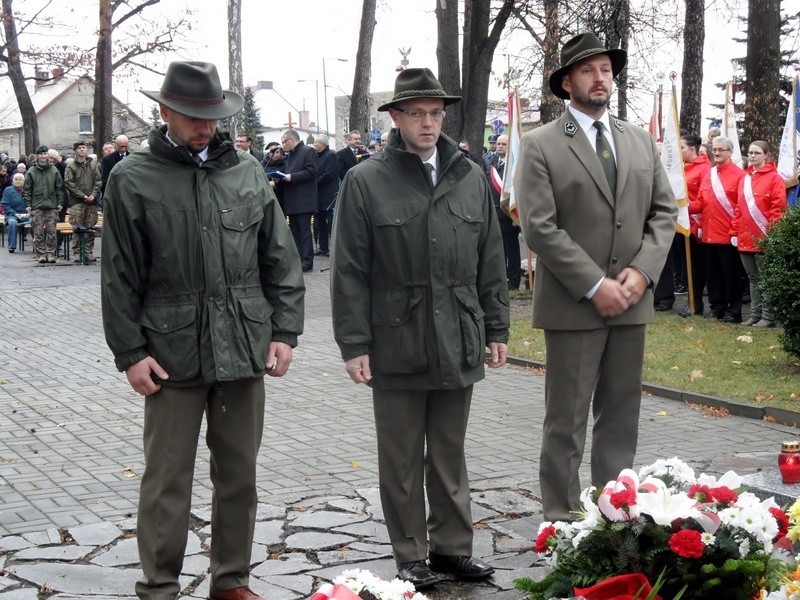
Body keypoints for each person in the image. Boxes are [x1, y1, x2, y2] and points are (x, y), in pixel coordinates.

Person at [100, 61, 305, 600]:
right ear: (164, 111)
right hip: (169, 351)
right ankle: (160, 586)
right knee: (168, 480)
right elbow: (119, 275)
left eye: (212, 116)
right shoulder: (132, 178)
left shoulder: (247, 172)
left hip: (242, 345)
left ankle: (230, 580)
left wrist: (285, 332)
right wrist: (130, 352)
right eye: (193, 115)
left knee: (238, 473)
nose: (205, 126)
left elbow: (279, 259)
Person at [331, 67, 509, 590]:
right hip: (395, 338)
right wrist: (354, 343)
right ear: (396, 118)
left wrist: (497, 328)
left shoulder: (470, 176)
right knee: (402, 456)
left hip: (458, 333)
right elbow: (349, 270)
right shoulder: (366, 181)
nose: (428, 123)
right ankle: (410, 554)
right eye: (416, 113)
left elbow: (490, 260)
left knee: (449, 453)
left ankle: (453, 550)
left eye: (435, 113)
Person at [514, 32, 676, 522]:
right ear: (567, 83)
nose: (600, 77)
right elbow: (539, 227)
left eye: (606, 69)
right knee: (566, 421)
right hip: (574, 305)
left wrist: (641, 275)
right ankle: (561, 521)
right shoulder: (540, 145)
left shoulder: (639, 140)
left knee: (621, 415)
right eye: (588, 70)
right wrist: (594, 284)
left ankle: (614, 511)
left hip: (631, 302)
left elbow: (664, 212)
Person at [732, 140, 787, 327]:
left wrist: (771, 235)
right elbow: (738, 209)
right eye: (750, 153)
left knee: (765, 278)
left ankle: (768, 316)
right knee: (753, 278)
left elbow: (777, 210)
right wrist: (734, 232)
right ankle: (755, 315)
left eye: (757, 153)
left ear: (766, 155)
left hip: (764, 236)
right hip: (745, 237)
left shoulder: (774, 179)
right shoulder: (744, 179)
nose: (752, 156)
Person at [692, 135, 746, 322]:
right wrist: (685, 206)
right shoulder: (709, 174)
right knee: (713, 275)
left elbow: (740, 206)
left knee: (730, 275)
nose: (716, 153)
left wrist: (734, 231)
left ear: (730, 152)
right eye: (714, 150)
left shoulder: (740, 176)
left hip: (727, 235)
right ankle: (717, 307)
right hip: (708, 234)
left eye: (720, 150)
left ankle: (734, 310)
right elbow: (701, 201)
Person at [679, 133, 712, 317]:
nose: (679, 151)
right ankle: (691, 301)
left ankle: (696, 303)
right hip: (682, 222)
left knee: (697, 266)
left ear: (692, 149)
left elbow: (704, 198)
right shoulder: (682, 168)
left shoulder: (704, 169)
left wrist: (686, 207)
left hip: (697, 224)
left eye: (682, 147)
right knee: (686, 266)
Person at [274, 129, 317, 272]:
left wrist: (291, 177)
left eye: (284, 142)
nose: (283, 145)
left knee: (305, 232)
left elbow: (311, 172)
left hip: (303, 200)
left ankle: (307, 261)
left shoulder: (307, 151)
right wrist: (279, 179)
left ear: (292, 139)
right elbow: (287, 175)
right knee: (295, 232)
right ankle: (298, 259)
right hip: (291, 200)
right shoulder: (289, 156)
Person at [486, 134, 522, 291]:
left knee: (511, 250)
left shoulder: (514, 166)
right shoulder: (492, 164)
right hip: (494, 213)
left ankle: (514, 281)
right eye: (498, 144)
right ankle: (501, 279)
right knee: (498, 251)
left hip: (508, 214)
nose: (500, 146)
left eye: (504, 144)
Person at [24, 145, 64, 264]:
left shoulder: (54, 170)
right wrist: (28, 204)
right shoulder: (32, 171)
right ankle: (41, 253)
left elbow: (59, 188)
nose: (43, 156)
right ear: (37, 156)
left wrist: (60, 202)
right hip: (37, 205)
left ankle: (50, 253)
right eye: (41, 154)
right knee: (38, 231)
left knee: (52, 231)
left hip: (51, 204)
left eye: (45, 154)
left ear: (48, 155)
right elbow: (27, 189)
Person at [63, 141, 102, 262]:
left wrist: (93, 195)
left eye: (84, 147)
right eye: (79, 148)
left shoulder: (93, 165)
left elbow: (98, 181)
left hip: (91, 202)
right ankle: (77, 252)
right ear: (76, 150)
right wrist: (82, 195)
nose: (82, 150)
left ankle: (88, 252)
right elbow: (69, 184)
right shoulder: (71, 166)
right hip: (77, 202)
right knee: (77, 227)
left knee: (90, 227)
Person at [312, 133, 338, 257]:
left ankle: (334, 247)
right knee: (320, 220)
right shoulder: (316, 156)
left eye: (315, 142)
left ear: (322, 144)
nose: (314, 144)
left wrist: (314, 183)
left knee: (331, 221)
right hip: (318, 194)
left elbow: (329, 173)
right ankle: (323, 247)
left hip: (328, 193)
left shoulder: (331, 155)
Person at [1, 173, 30, 253]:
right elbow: (5, 204)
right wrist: (15, 213)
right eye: (16, 179)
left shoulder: (28, 190)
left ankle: (39, 246)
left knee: (38, 221)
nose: (18, 181)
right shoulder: (8, 190)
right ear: (12, 181)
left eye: (20, 180)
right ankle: (12, 246)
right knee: (12, 223)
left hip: (27, 214)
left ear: (24, 181)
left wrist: (29, 211)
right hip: (12, 215)